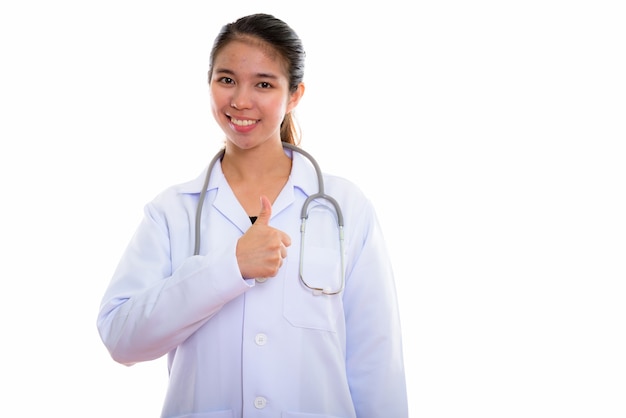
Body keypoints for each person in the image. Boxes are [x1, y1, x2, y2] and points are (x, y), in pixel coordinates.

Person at [97, 13, 408, 418]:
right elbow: (122, 338)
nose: (241, 100)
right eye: (226, 80)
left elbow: (376, 361)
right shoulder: (172, 211)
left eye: (264, 84)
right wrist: (229, 267)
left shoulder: (345, 207)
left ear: (294, 95)